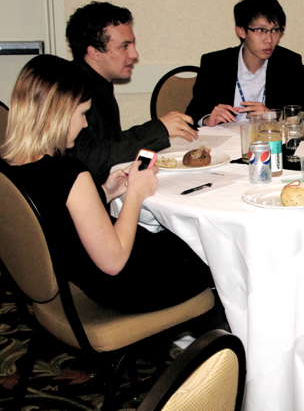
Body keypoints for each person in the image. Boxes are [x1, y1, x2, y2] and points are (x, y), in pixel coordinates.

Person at [0, 55, 211, 313]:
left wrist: (105, 192)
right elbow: (113, 262)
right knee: (211, 250)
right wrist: (135, 194)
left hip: (82, 274)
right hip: (124, 288)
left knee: (181, 239)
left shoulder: (11, 167)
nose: (85, 124)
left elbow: (58, 213)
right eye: (82, 114)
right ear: (58, 115)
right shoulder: (69, 173)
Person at [65, 1, 198, 184]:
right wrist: (158, 129)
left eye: (133, 43)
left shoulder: (97, 81)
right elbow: (92, 159)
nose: (134, 54)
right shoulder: (70, 89)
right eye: (124, 46)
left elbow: (110, 145)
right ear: (94, 52)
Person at [186, 0, 304, 127]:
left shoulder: (288, 62)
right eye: (260, 30)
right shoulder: (215, 63)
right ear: (241, 31)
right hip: (226, 140)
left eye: (275, 30)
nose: (269, 40)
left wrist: (273, 115)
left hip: (271, 138)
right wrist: (207, 119)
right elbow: (193, 112)